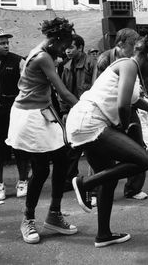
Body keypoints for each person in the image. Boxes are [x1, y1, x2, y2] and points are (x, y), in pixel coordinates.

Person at [66, 35, 148, 248]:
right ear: (145, 55)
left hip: (86, 121)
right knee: (143, 161)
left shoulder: (128, 69)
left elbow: (134, 100)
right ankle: (85, 184)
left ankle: (103, 235)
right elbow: (124, 106)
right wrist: (124, 129)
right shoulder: (128, 64)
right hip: (90, 121)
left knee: (108, 178)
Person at [6, 17, 79, 244]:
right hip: (29, 116)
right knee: (40, 170)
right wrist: (87, 110)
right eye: (64, 44)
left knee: (62, 160)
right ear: (56, 39)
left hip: (43, 112)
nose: (65, 49)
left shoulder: (45, 51)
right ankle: (27, 219)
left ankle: (54, 215)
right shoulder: (42, 57)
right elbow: (63, 92)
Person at [94, 28, 148, 200]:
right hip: (106, 110)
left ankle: (133, 188)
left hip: (128, 108)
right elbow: (97, 87)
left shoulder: (132, 61)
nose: (135, 49)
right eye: (132, 45)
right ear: (120, 44)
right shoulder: (104, 59)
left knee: (139, 148)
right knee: (100, 153)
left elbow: (133, 96)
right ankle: (94, 190)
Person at [60, 34, 95, 190]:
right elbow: (62, 91)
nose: (67, 50)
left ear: (80, 48)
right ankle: (70, 179)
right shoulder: (66, 67)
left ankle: (97, 179)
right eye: (66, 47)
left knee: (93, 147)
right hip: (73, 111)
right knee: (72, 147)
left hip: (89, 111)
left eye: (71, 47)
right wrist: (64, 111)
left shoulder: (91, 64)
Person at [0, 27, 29, 201]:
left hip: (14, 111)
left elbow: (28, 85)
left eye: (7, 42)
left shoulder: (18, 61)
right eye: (2, 43)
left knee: (19, 147)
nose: (6, 46)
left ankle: (23, 180)